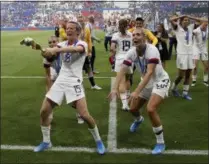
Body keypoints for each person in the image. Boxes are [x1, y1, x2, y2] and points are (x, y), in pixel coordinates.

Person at [34, 21, 105, 155]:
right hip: (61, 80)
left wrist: (56, 49)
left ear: (78, 32)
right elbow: (49, 54)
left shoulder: (82, 44)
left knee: (84, 115)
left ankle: (99, 141)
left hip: (75, 82)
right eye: (67, 28)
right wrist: (39, 48)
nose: (69, 30)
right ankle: (46, 141)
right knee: (44, 111)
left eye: (72, 28)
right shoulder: (61, 44)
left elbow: (75, 50)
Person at [108, 28, 170, 155]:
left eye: (138, 35)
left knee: (151, 109)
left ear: (145, 38)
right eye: (134, 35)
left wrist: (136, 91)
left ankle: (160, 142)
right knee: (132, 109)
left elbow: (150, 72)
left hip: (160, 81)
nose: (135, 37)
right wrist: (114, 89)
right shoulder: (131, 52)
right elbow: (122, 70)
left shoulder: (152, 50)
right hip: (146, 83)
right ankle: (138, 120)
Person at [170, 15, 207, 100]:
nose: (186, 21)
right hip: (182, 55)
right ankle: (173, 88)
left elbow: (203, 20)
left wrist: (190, 17)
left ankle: (185, 93)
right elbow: (171, 19)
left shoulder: (191, 28)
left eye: (187, 20)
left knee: (188, 74)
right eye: (184, 20)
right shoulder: (177, 28)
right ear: (181, 21)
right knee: (181, 75)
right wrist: (182, 16)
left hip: (190, 54)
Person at [110, 19, 133, 111]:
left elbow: (112, 48)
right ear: (127, 25)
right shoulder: (131, 34)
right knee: (127, 79)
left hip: (120, 59)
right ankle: (127, 96)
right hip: (129, 59)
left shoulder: (115, 35)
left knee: (121, 81)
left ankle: (124, 104)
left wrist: (114, 55)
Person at [77, 14, 102, 90]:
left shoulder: (86, 29)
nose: (80, 19)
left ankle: (93, 85)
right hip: (77, 52)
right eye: (79, 17)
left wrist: (90, 51)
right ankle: (80, 85)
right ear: (77, 19)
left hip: (85, 52)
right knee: (79, 69)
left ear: (83, 19)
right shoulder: (75, 29)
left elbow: (89, 41)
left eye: (81, 17)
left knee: (89, 68)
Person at [191, 21, 208, 87]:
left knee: (207, 66)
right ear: (201, 25)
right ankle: (194, 80)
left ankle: (205, 80)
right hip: (196, 49)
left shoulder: (207, 30)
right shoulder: (196, 30)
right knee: (195, 66)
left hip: (204, 49)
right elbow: (190, 33)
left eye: (207, 25)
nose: (206, 26)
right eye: (205, 25)